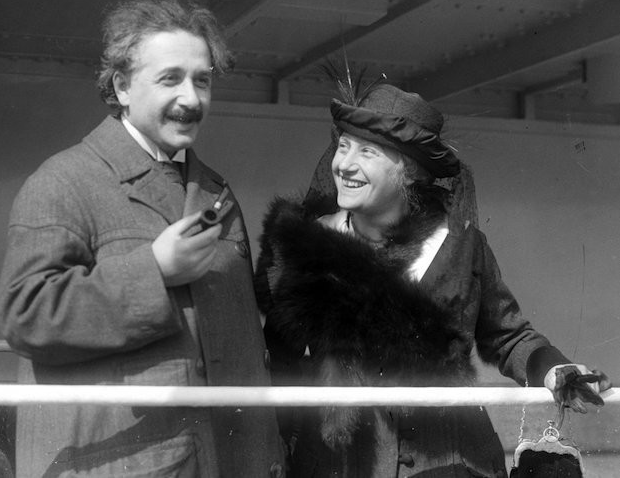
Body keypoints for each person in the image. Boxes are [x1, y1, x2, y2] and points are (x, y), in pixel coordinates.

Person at [254, 80, 611, 477]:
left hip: (451, 462)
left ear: (410, 172)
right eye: (344, 145)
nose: (345, 164)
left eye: (367, 152)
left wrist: (554, 369)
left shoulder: (460, 247)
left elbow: (509, 337)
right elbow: (277, 361)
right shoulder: (306, 245)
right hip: (341, 464)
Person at [0, 0, 284, 478]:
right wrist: (154, 271)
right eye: (170, 79)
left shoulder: (216, 191)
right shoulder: (64, 181)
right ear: (122, 86)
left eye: (202, 80)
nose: (191, 99)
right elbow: (26, 316)